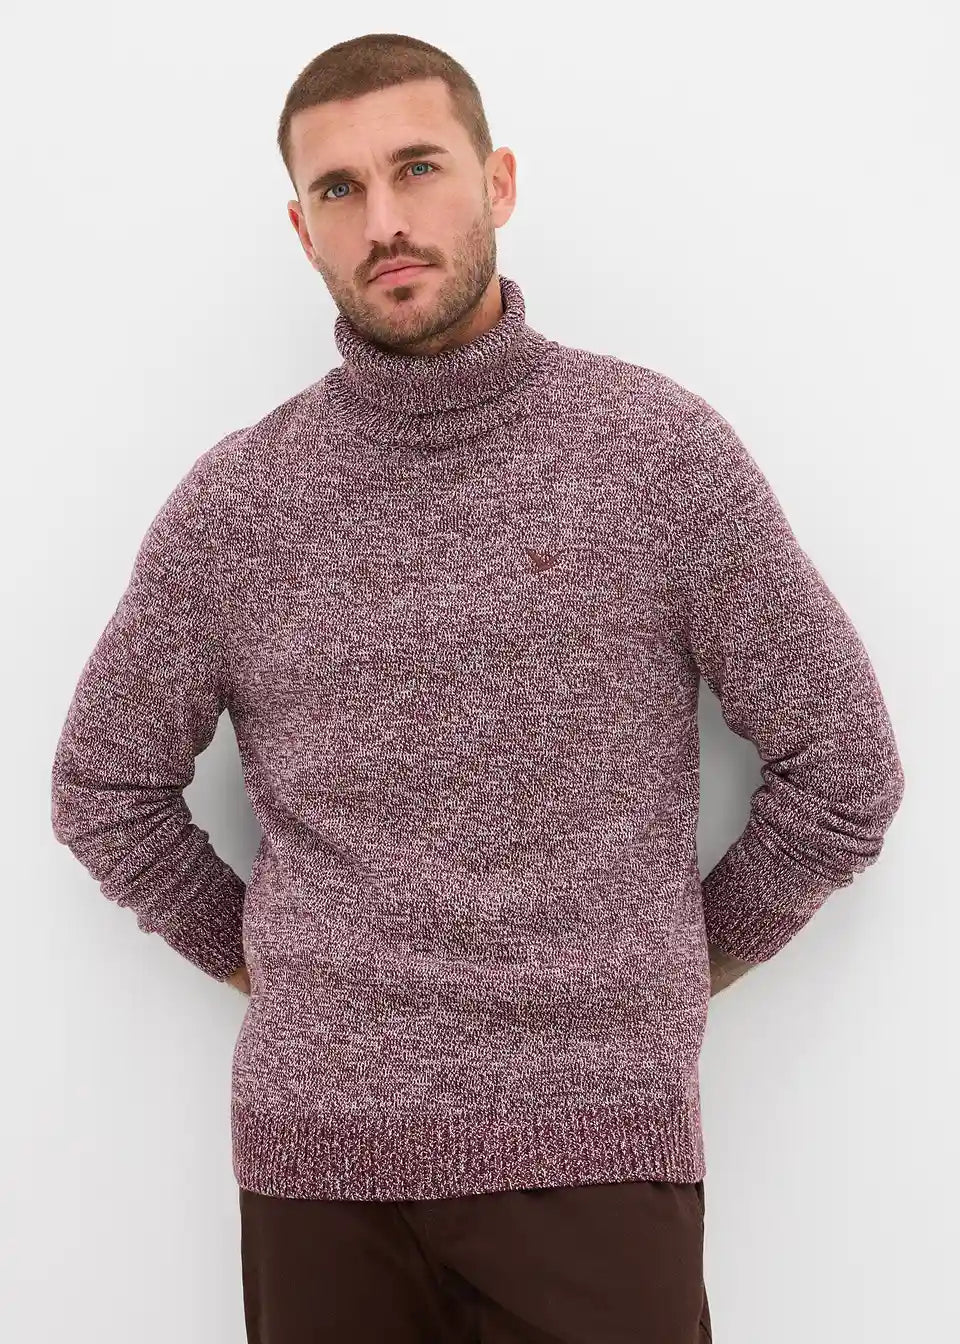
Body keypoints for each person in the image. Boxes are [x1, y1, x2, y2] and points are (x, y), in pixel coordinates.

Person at [50, 30, 906, 1344]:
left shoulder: (654, 455)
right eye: (340, 189)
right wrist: (278, 968)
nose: (384, 220)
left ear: (496, 181)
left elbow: (844, 770)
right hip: (320, 1171)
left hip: (599, 1153)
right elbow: (103, 789)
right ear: (302, 229)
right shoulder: (240, 505)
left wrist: (672, 971)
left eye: (417, 168)